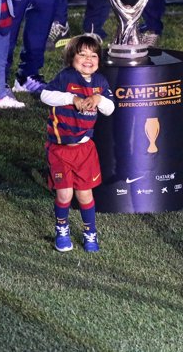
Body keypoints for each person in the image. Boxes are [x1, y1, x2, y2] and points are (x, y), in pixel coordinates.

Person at [40, 34, 115, 253]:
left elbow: (110, 109)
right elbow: (45, 95)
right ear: (71, 58)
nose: (88, 59)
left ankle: (90, 232)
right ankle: (61, 230)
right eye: (82, 54)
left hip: (85, 150)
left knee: (85, 195)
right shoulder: (66, 77)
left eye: (93, 55)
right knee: (64, 195)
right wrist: (71, 99)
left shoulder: (100, 82)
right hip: (61, 150)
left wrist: (99, 100)